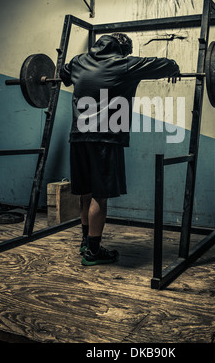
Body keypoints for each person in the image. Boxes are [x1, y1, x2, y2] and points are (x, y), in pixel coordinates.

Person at [60, 33, 180, 266]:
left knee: (84, 192)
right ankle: (94, 252)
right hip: (105, 140)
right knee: (99, 196)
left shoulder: (78, 62)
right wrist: (174, 69)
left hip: (77, 138)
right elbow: (167, 64)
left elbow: (62, 75)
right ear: (123, 50)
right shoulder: (125, 64)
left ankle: (86, 241)